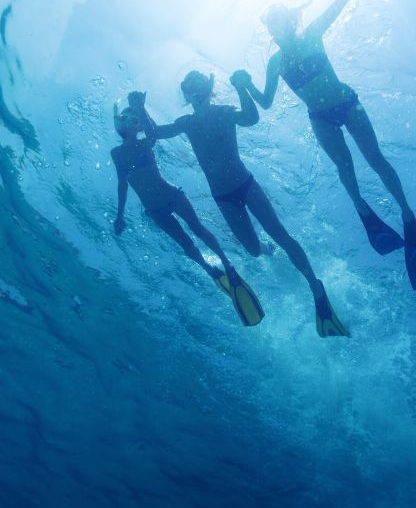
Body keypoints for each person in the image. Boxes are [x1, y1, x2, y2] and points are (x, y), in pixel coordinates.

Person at [244, 0, 416, 291]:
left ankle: (407, 213)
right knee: (344, 167)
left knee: (376, 160)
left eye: (278, 20)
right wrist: (246, 88)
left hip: (347, 104)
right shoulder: (275, 62)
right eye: (270, 25)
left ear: (290, 19)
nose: (276, 28)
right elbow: (267, 103)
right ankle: (363, 210)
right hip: (320, 117)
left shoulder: (313, 33)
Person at [137, 72, 350, 337]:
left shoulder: (225, 111)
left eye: (201, 84)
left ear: (209, 87)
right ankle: (266, 249)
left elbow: (251, 118)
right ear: (186, 93)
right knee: (252, 249)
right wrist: (139, 109)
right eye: (190, 87)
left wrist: (241, 88)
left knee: (280, 233)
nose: (196, 91)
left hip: (246, 186)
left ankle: (315, 287)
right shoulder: (187, 122)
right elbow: (156, 133)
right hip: (224, 198)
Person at [111, 92, 264, 326]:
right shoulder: (117, 154)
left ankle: (226, 263)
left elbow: (154, 134)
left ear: (139, 126)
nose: (130, 123)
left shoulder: (145, 142)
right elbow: (122, 184)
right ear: (118, 124)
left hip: (173, 195)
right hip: (154, 210)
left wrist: (140, 108)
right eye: (126, 119)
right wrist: (119, 215)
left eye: (135, 120)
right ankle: (209, 270)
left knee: (198, 229)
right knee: (185, 243)